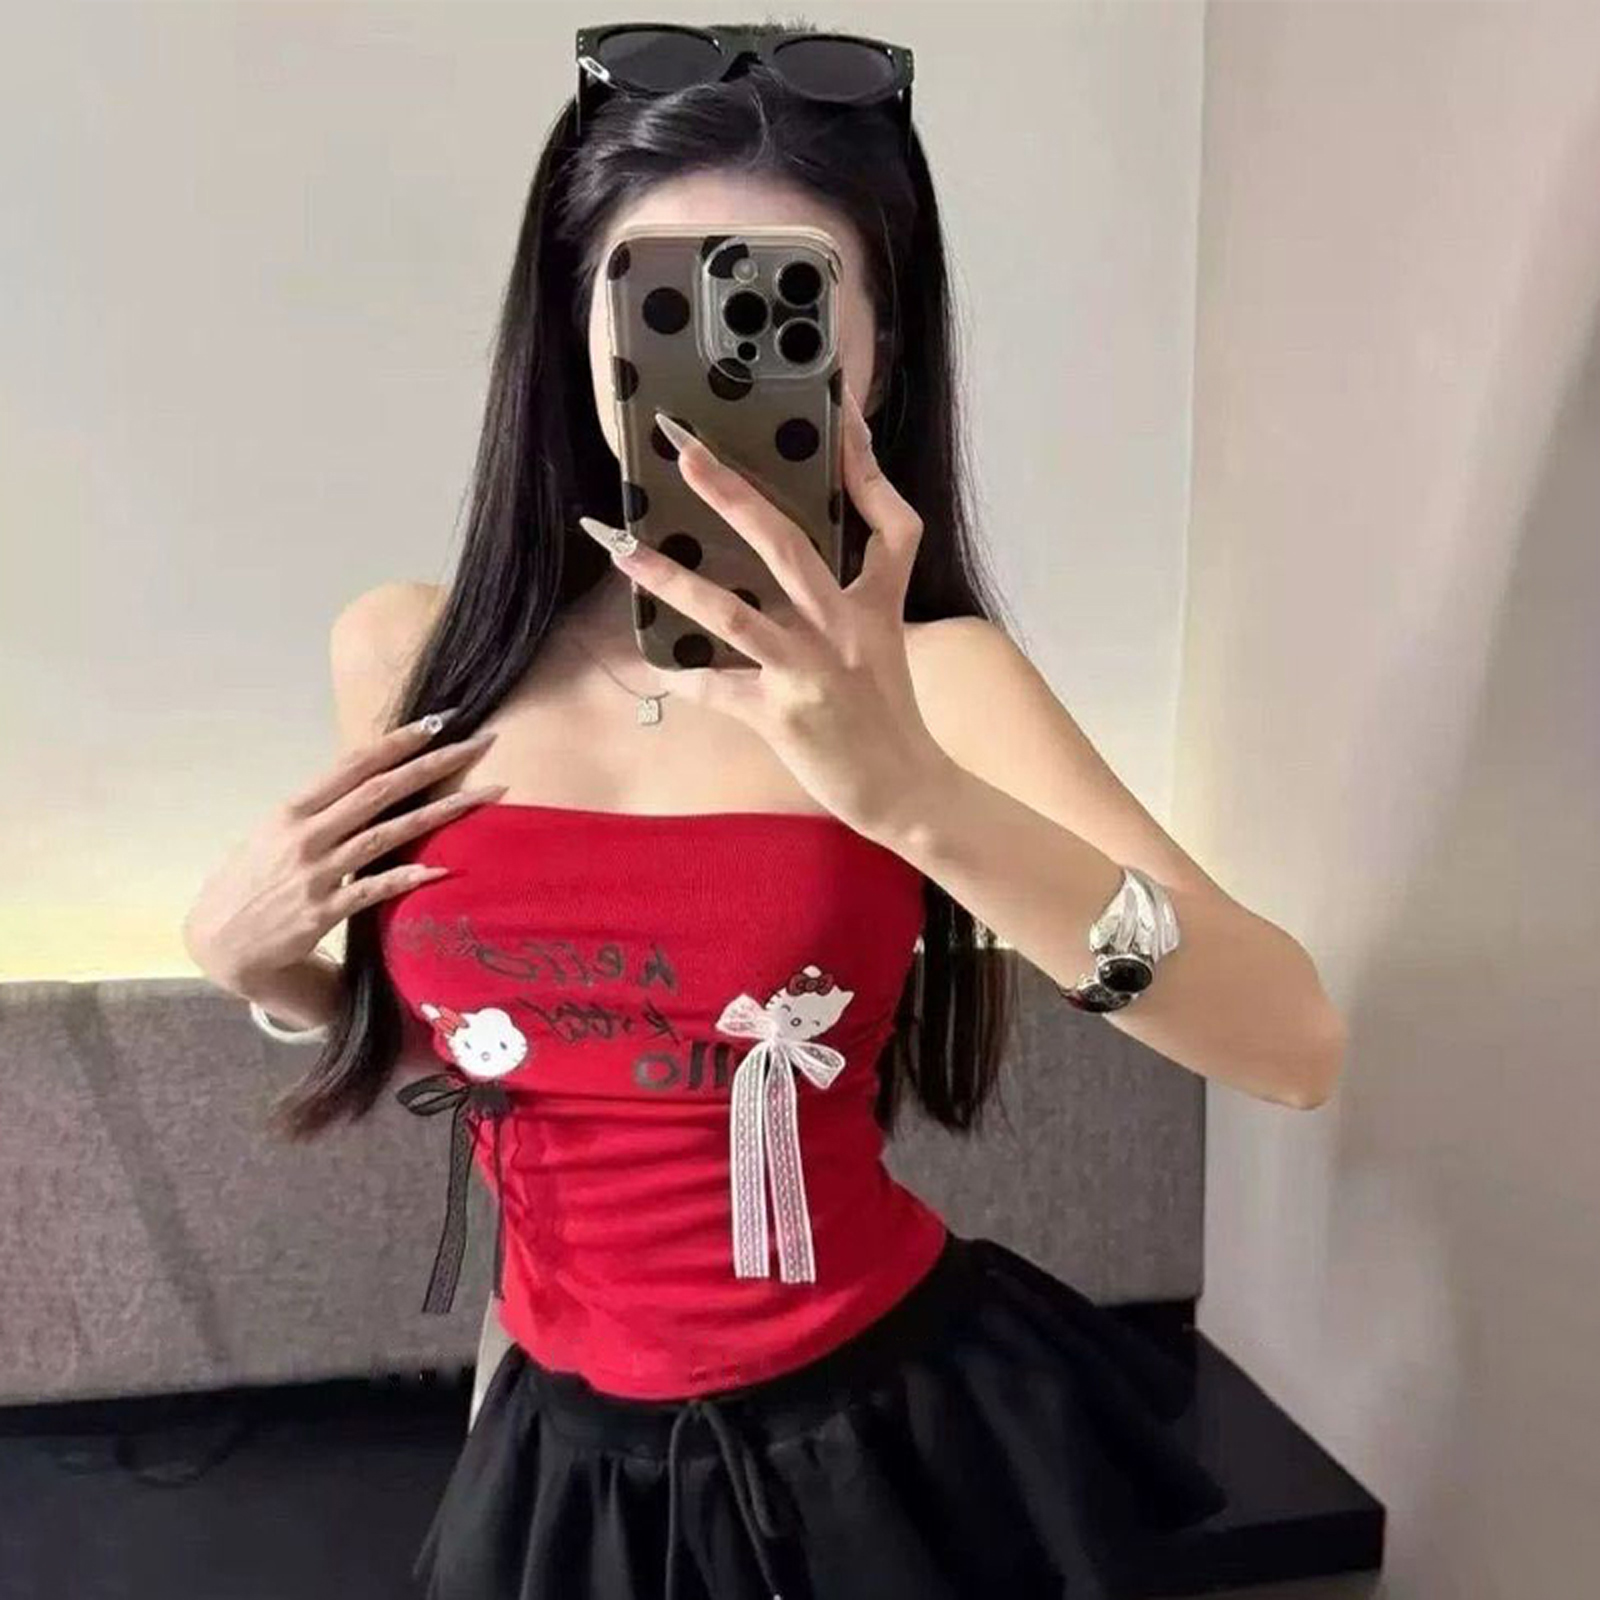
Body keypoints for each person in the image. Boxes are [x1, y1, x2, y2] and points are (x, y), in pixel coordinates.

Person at [184, 21, 1346, 1600]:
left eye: (781, 308)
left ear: (877, 353)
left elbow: (1290, 1042)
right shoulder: (411, 657)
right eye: (655, 303)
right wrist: (266, 970)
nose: (716, 363)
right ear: (571, 329)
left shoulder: (937, 684)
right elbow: (509, 1055)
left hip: (877, 1453)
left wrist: (918, 798)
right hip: (548, 1440)